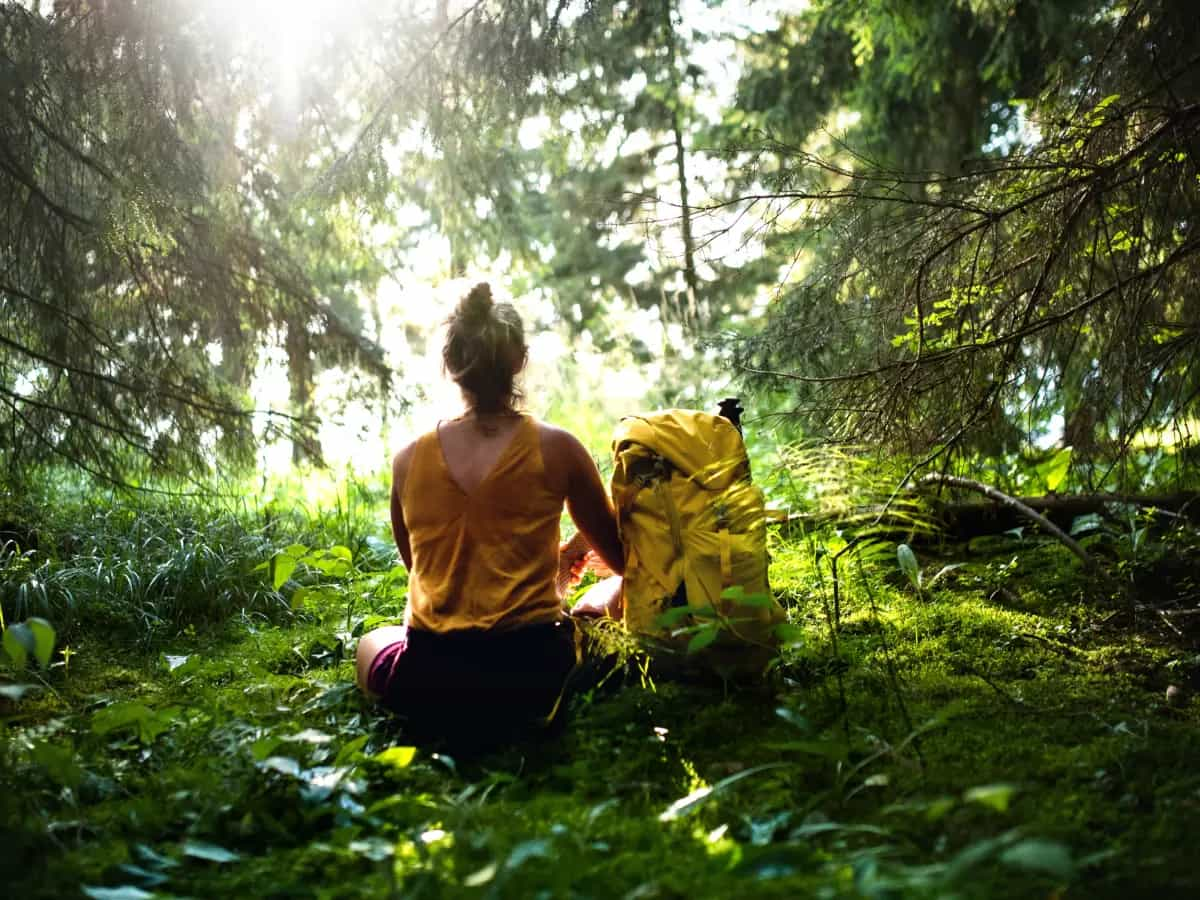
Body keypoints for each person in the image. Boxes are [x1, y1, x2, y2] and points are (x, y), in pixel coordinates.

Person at [355, 282, 625, 743]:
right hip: (534, 676)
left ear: (451, 364)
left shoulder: (407, 461)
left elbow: (426, 573)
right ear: (519, 360)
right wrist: (565, 564)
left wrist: (556, 569)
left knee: (371, 642)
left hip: (433, 681)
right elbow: (623, 560)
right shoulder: (558, 448)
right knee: (610, 592)